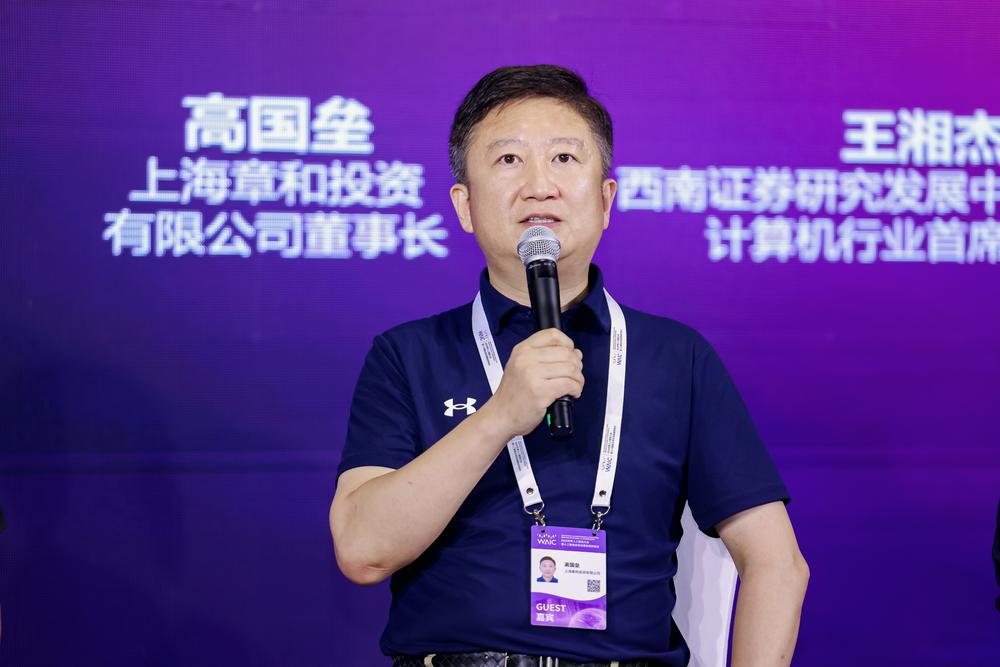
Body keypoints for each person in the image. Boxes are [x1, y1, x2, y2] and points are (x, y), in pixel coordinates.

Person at [330, 64, 809, 667]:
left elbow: (776, 563)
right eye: (509, 160)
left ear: (606, 200)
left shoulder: (676, 357)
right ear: (464, 205)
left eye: (563, 158)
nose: (539, 186)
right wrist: (499, 417)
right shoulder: (408, 354)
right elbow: (363, 549)